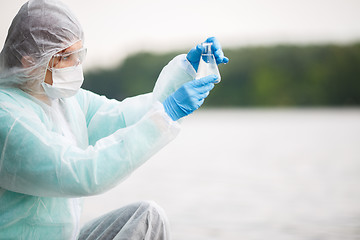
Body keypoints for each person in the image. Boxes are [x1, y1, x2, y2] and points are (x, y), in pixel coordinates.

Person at [0, 0, 229, 239]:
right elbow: (82, 171)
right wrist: (167, 113)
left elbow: (122, 118)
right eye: (66, 56)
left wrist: (186, 73)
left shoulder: (64, 101)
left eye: (79, 53)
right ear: (30, 60)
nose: (77, 64)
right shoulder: (7, 118)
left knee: (147, 218)